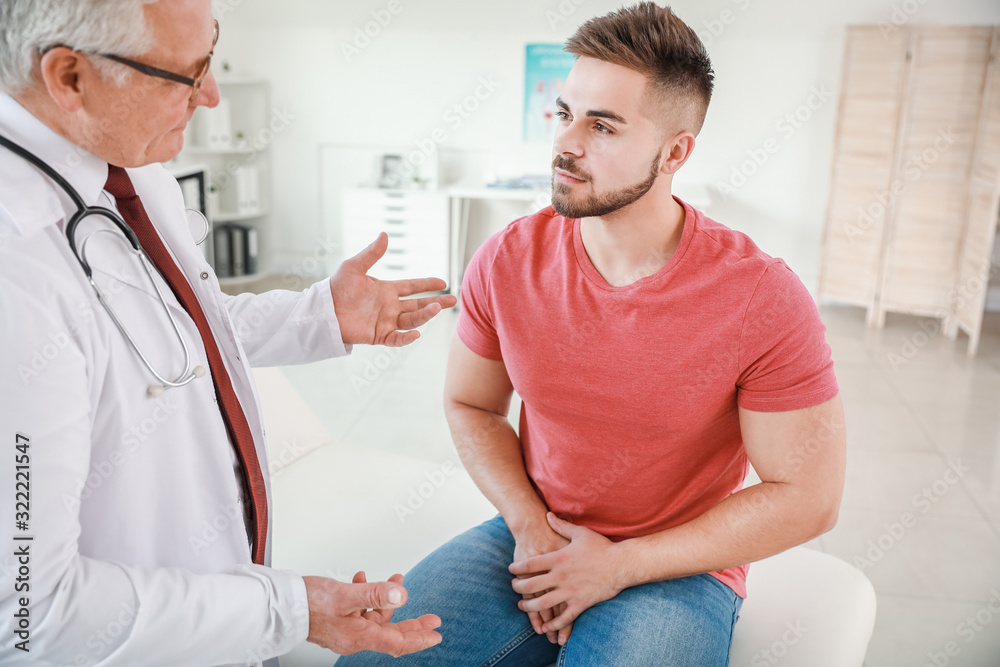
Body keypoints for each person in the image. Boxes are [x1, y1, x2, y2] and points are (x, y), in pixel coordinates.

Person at [336, 3, 847, 666]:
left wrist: (619, 565)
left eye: (602, 125)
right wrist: (527, 524)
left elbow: (810, 496)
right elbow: (470, 404)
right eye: (564, 113)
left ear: (675, 152)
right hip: (538, 533)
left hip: (677, 564)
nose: (566, 143)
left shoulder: (761, 296)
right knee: (377, 657)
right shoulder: (506, 258)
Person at [0, 0, 452, 664]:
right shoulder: (16, 267)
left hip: (219, 615)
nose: (211, 95)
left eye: (211, 57)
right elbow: (29, 611)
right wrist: (290, 610)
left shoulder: (135, 171)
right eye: (187, 74)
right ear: (71, 77)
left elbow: (171, 335)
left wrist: (319, 314)